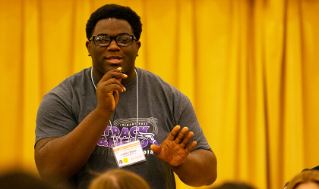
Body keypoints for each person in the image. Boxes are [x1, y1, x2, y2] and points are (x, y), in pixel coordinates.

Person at [34, 3, 217, 189]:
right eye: (103, 39)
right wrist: (102, 112)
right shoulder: (63, 98)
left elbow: (208, 175)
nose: (113, 46)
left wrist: (180, 163)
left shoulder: (170, 97)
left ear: (137, 46)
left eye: (123, 39)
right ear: (89, 47)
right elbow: (49, 171)